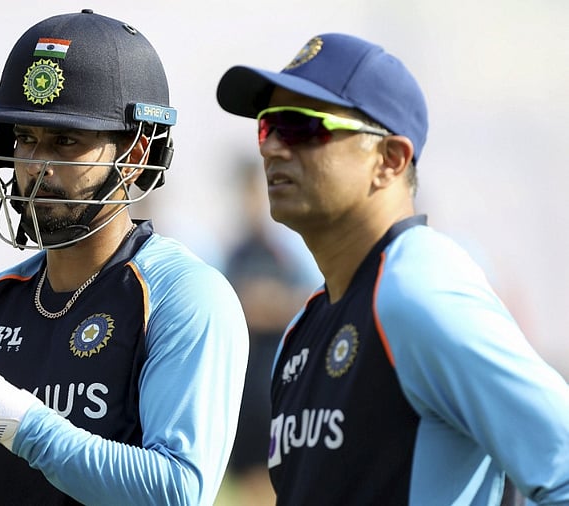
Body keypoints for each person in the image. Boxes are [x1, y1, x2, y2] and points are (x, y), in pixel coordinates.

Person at [0, 10, 249, 505]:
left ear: (134, 154)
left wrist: (16, 420)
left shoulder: (185, 297)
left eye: (66, 141)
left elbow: (176, 491)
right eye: (26, 138)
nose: (37, 166)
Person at [216, 33, 569, 505]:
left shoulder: (420, 290)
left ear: (390, 160)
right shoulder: (303, 328)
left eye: (301, 127)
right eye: (267, 127)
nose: (273, 148)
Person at [223, 165, 316, 506]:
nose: (250, 204)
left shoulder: (292, 250)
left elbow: (317, 301)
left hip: (279, 387)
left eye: (255, 195)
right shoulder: (236, 253)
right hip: (246, 390)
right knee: (246, 483)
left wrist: (269, 304)